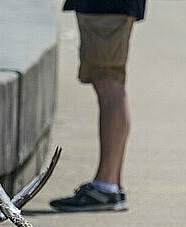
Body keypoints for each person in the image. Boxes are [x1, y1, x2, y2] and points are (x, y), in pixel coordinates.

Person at [50, 0, 146, 212]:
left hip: (107, 8)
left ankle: (106, 186)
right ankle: (111, 183)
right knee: (110, 84)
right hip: (109, 8)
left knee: (108, 84)